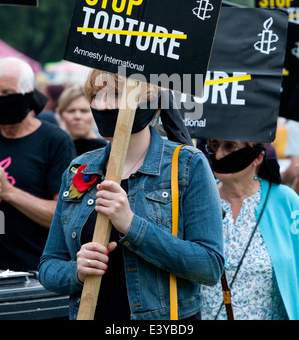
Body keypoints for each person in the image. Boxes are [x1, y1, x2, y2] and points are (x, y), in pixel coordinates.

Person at [39, 70, 224, 321]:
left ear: (147, 102)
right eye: (96, 95)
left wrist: (131, 226)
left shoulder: (187, 165)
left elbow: (209, 267)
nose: (102, 105)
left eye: (115, 94)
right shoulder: (79, 169)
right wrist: (77, 272)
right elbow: (49, 265)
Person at [200, 139, 299, 320]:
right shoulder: (198, 198)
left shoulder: (285, 202)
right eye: (214, 146)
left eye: (230, 146)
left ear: (258, 157)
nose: (220, 154)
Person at [0, 57, 76, 271]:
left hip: (33, 273)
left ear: (26, 94)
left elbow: (63, 215)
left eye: (6, 93)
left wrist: (9, 192)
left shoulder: (54, 141)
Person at [57, 84, 106, 155]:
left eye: (84, 111)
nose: (77, 116)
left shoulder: (106, 151)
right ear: (61, 115)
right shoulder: (56, 149)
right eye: (71, 111)